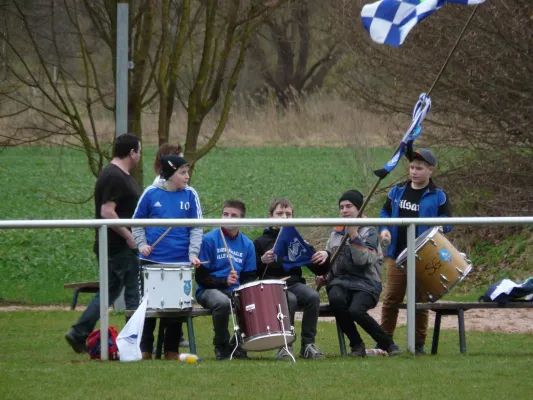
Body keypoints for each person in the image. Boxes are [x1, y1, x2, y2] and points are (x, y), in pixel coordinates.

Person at [65, 133, 142, 354]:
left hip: (113, 245)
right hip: (119, 247)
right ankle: (132, 343)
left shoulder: (117, 175)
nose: (139, 156)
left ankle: (79, 332)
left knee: (108, 293)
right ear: (131, 153)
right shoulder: (114, 176)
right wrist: (129, 236)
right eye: (139, 151)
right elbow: (107, 212)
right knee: (132, 293)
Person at [379, 148, 452, 355]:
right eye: (411, 167)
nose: (413, 172)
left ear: (430, 170)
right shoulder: (397, 191)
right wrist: (384, 228)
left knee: (420, 302)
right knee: (391, 299)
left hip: (424, 256)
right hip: (397, 255)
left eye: (419, 168)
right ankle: (385, 341)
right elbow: (384, 212)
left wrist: (439, 227)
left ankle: (418, 344)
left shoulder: (438, 196)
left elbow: (448, 222)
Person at [133, 154, 203, 360]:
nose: (187, 176)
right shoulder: (150, 194)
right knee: (148, 306)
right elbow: (136, 222)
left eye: (187, 172)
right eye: (182, 172)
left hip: (180, 261)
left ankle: (171, 349)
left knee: (177, 306)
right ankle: (145, 349)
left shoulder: (191, 195)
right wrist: (142, 245)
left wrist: (192, 254)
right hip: (151, 261)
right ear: (170, 174)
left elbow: (196, 228)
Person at [321, 190, 400, 357]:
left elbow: (363, 261)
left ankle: (388, 344)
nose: (344, 210)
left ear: (359, 209)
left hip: (367, 284)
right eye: (341, 207)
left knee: (356, 310)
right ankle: (357, 346)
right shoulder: (335, 233)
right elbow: (330, 257)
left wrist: (354, 235)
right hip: (340, 282)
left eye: (349, 206)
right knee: (336, 300)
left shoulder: (370, 232)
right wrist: (323, 268)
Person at [254, 198, 328, 359]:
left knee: (313, 297)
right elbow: (252, 273)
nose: (284, 217)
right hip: (271, 286)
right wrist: (262, 261)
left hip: (294, 283)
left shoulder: (296, 241)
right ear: (270, 216)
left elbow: (319, 268)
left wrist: (322, 255)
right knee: (291, 300)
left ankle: (308, 345)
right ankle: (285, 345)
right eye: (280, 213)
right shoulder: (260, 242)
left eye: (288, 214)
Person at [194, 200, 257, 360]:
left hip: (233, 290)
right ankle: (221, 347)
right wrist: (224, 281)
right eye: (225, 214)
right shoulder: (209, 240)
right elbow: (201, 278)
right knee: (222, 302)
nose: (228, 218)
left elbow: (249, 278)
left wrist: (241, 289)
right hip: (208, 290)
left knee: (253, 304)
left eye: (233, 215)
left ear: (242, 220)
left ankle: (237, 344)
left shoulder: (248, 245)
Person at [151, 143, 189, 349]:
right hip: (161, 255)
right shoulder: (156, 189)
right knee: (160, 297)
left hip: (179, 253)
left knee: (175, 297)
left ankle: (172, 341)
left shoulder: (186, 192)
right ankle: (149, 344)